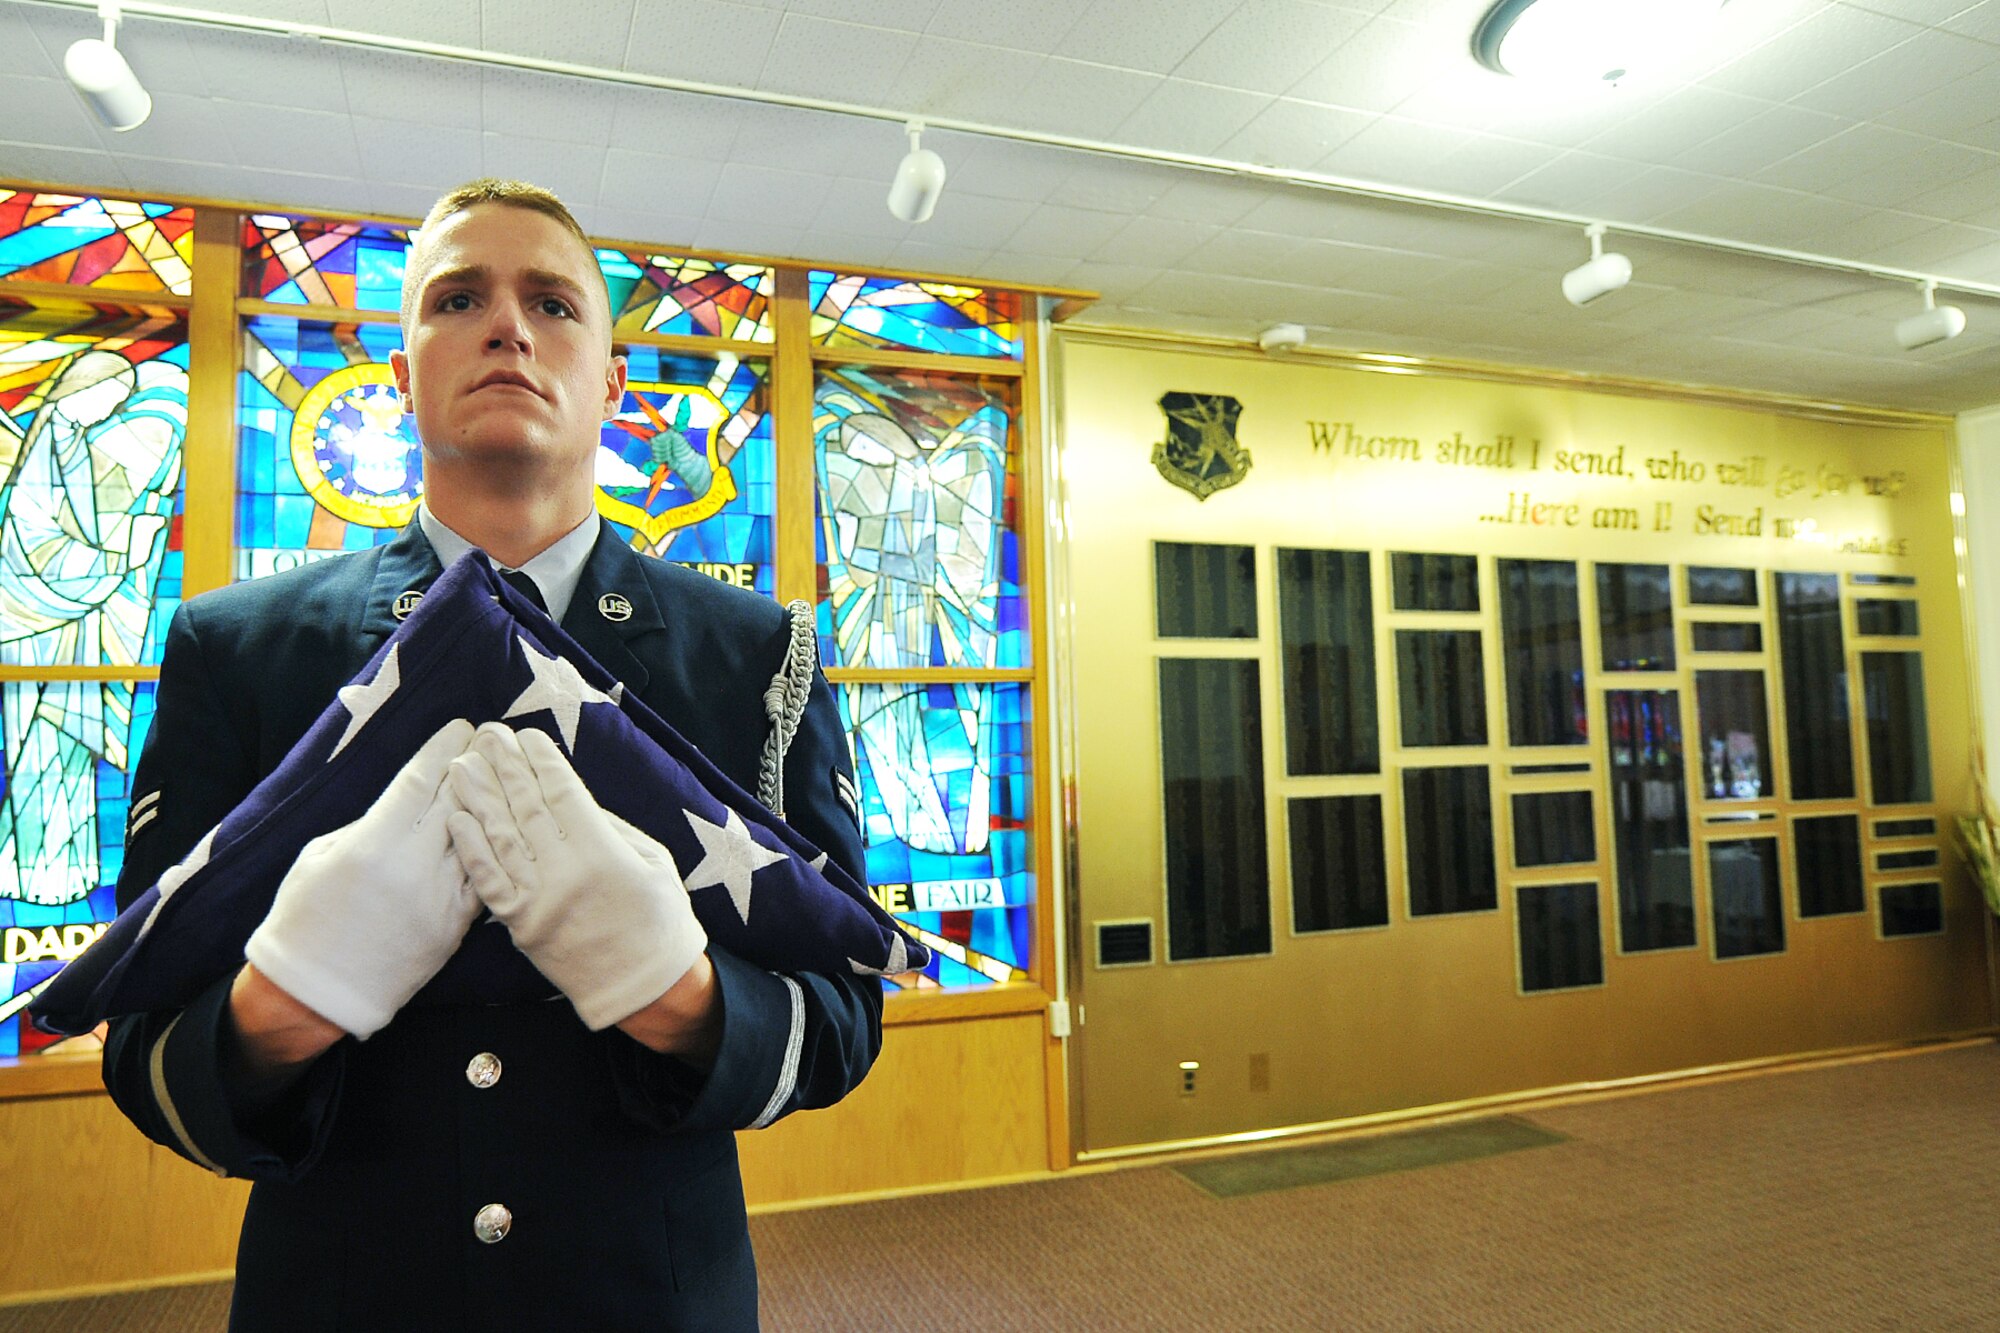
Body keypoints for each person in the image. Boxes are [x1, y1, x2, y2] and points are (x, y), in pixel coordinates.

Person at [99, 179, 881, 1332]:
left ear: (614, 381)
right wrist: (286, 998)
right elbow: (144, 1041)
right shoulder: (237, 649)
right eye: (458, 297)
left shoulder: (758, 656)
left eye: (554, 303)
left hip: (645, 1300)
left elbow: (846, 1009)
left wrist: (675, 989)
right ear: (401, 370)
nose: (508, 325)